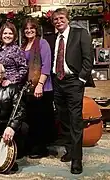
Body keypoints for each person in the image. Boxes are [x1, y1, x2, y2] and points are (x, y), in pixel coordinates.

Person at [51, 8, 93, 174]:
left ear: (67, 19)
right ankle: (70, 150)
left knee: (75, 120)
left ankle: (77, 160)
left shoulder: (80, 33)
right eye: (55, 19)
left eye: (61, 18)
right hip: (58, 82)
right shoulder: (54, 38)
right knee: (63, 118)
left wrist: (81, 79)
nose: (58, 21)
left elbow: (89, 58)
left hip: (74, 82)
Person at [21, 17, 55, 158]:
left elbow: (46, 65)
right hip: (28, 88)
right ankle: (32, 146)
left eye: (32, 28)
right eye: (26, 29)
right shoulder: (23, 46)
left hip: (43, 87)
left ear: (36, 30)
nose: (29, 31)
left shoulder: (42, 43)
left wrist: (40, 85)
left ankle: (41, 148)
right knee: (31, 119)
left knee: (41, 119)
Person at [0, 22, 28, 87]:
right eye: (5, 33)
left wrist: (11, 80)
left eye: (10, 33)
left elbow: (23, 69)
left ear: (14, 36)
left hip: (10, 87)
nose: (7, 36)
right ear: (1, 35)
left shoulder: (16, 50)